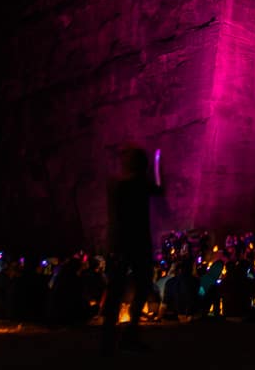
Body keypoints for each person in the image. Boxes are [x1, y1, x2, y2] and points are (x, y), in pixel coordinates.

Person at [101, 145, 163, 354]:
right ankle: (129, 336)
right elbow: (159, 188)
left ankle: (108, 339)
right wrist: (158, 163)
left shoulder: (116, 186)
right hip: (137, 244)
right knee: (142, 286)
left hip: (118, 244)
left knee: (115, 290)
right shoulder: (140, 185)